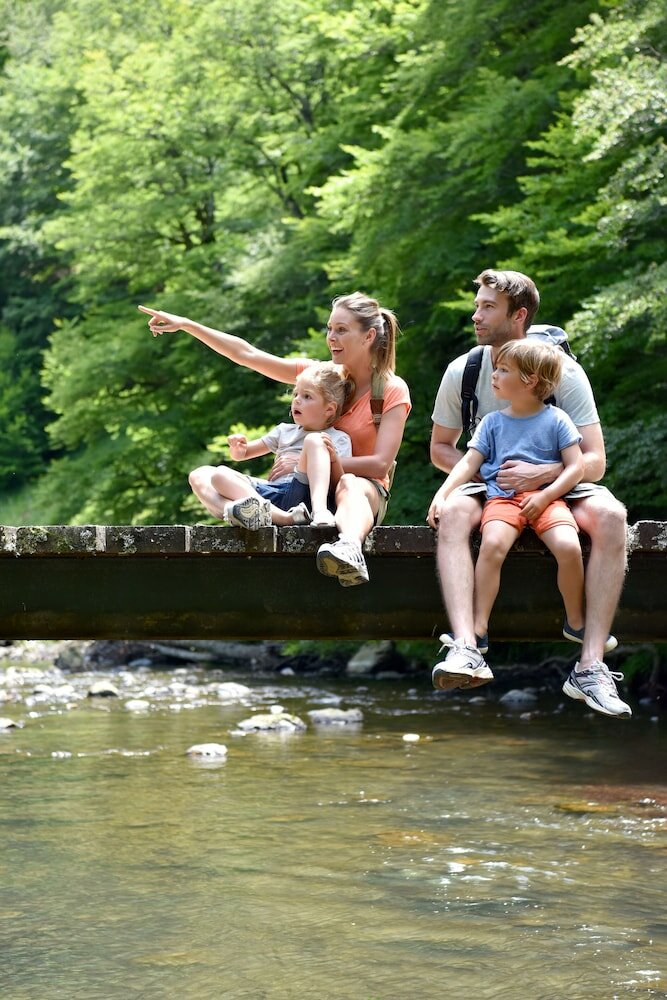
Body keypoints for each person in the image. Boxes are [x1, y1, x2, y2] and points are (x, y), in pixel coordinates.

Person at [427, 268, 630, 719]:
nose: (475, 316)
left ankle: (591, 665)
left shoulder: (563, 373)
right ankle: (467, 647)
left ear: (518, 315)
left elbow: (594, 459)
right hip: (488, 481)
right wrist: (484, 471)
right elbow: (443, 448)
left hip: (559, 480)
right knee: (455, 514)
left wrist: (544, 475)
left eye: (487, 307)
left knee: (613, 516)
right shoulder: (465, 370)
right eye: (476, 305)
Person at [139, 292, 411, 586]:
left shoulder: (391, 389)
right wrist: (188, 325)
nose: (331, 337)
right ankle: (251, 514)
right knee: (204, 475)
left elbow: (381, 464)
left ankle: (349, 548)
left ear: (368, 336)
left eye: (341, 330)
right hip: (300, 492)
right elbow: (248, 355)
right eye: (329, 329)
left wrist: (313, 460)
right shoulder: (320, 376)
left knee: (350, 483)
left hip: (357, 494)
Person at [208, 362, 354, 530]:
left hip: (304, 492)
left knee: (315, 440)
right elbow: (243, 454)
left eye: (307, 396)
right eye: (295, 394)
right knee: (218, 475)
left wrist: (333, 459)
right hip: (274, 494)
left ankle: (319, 511)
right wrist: (238, 449)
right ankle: (270, 513)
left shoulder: (339, 438)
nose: (297, 400)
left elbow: (340, 484)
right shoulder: (284, 431)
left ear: (329, 409)